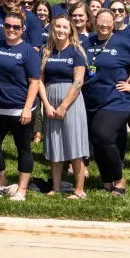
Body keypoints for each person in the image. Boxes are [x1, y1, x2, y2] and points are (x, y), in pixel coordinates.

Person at [80, 8, 130, 195]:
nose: (103, 25)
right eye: (100, 21)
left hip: (116, 100)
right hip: (91, 99)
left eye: (107, 22)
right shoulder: (87, 43)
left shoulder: (123, 43)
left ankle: (119, 179)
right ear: (94, 22)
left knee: (104, 135)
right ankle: (106, 179)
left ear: (113, 24)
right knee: (98, 140)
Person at [0, 10, 41, 201]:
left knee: (23, 148)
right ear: (3, 27)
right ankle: (2, 184)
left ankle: (22, 190)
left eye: (16, 27)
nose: (11, 30)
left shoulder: (28, 52)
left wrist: (27, 108)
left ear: (22, 30)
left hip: (20, 109)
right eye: (7, 26)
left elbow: (34, 81)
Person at [40, 15, 89, 198]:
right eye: (57, 27)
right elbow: (39, 80)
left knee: (74, 144)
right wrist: (46, 104)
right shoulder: (46, 51)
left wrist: (64, 106)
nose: (60, 30)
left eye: (64, 27)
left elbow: (78, 81)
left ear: (70, 31)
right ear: (52, 29)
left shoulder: (76, 51)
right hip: (50, 99)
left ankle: (79, 190)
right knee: (55, 144)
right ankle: (56, 187)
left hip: (71, 102)